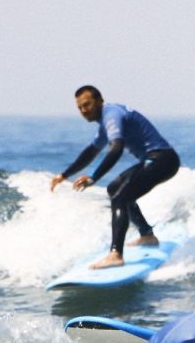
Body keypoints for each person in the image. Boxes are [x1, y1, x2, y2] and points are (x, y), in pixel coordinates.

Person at [50, 85, 180, 269]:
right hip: (156, 160)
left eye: (87, 104)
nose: (84, 110)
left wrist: (93, 177)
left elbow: (116, 148)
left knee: (121, 196)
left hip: (162, 160)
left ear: (99, 101)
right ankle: (147, 235)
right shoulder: (106, 121)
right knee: (113, 189)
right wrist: (64, 175)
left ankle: (115, 255)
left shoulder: (111, 115)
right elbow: (91, 151)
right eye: (80, 107)